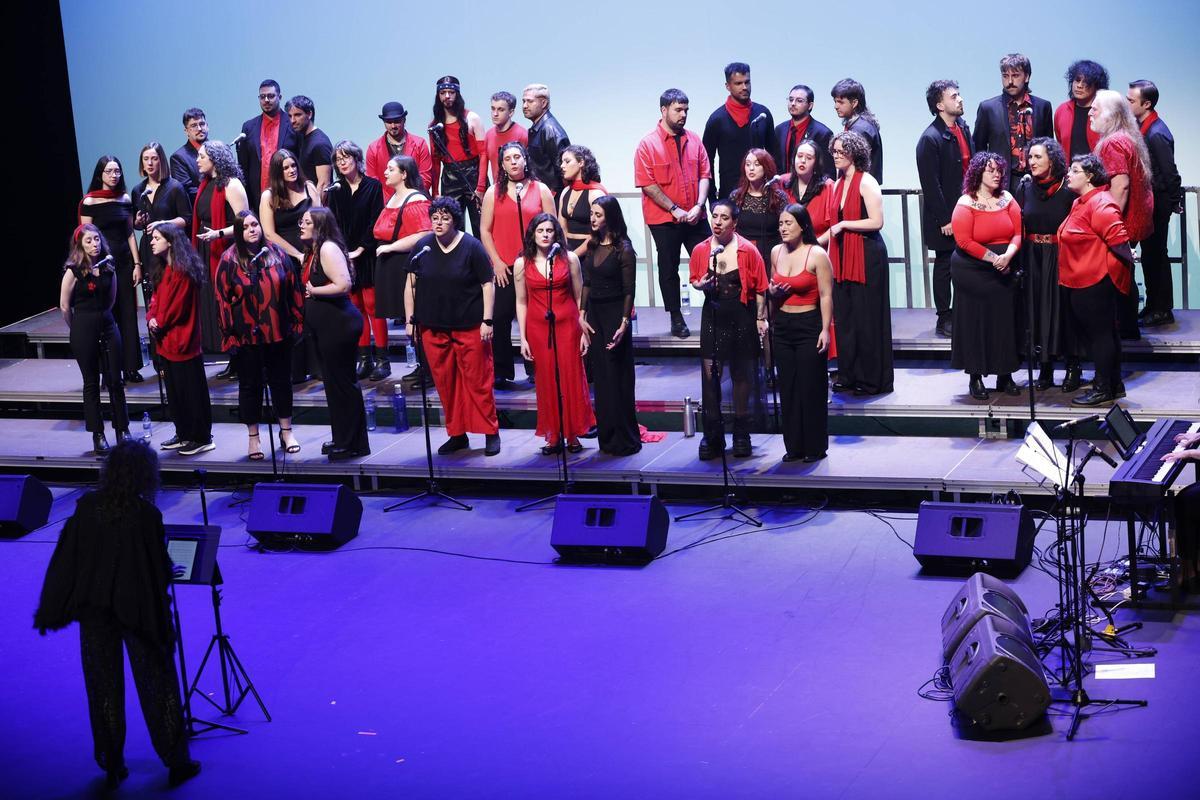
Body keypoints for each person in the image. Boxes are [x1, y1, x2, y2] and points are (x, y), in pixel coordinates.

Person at [33, 440, 200, 790]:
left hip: (94, 610)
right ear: (145, 474)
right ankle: (176, 760)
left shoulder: (87, 506)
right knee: (157, 685)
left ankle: (111, 762)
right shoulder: (146, 516)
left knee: (103, 687)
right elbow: (155, 568)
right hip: (136, 611)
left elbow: (69, 558)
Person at [404, 196, 501, 456]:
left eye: (445, 218)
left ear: (455, 220)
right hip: (433, 327)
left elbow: (487, 284)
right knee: (446, 383)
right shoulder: (423, 247)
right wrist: (410, 318)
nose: (438, 222)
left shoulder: (471, 246)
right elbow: (411, 284)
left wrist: (487, 320)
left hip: (469, 325)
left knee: (478, 381)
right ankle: (457, 434)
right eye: (435, 217)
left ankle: (491, 431)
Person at [215, 211, 304, 459]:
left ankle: (286, 431)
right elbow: (222, 300)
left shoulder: (276, 253)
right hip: (246, 336)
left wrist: (297, 321)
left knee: (281, 382)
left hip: (278, 331)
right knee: (250, 385)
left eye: (255, 224)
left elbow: (293, 287)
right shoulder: (230, 259)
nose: (252, 229)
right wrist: (228, 334)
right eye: (246, 227)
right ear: (239, 232)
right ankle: (253, 437)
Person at [689, 200, 768, 459]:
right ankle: (713, 435)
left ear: (734, 223)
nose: (717, 222)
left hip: (741, 317)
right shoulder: (701, 250)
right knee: (711, 375)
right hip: (713, 316)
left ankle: (741, 433)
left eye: (724, 217)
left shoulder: (748, 250)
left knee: (741, 375)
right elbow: (695, 281)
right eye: (714, 216)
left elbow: (760, 289)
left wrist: (760, 318)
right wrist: (700, 286)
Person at [634, 88, 713, 339]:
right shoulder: (648, 144)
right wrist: (675, 209)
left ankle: (716, 310)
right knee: (668, 267)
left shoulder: (694, 139)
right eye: (678, 110)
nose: (683, 115)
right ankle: (676, 317)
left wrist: (699, 206)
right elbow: (648, 184)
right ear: (664, 110)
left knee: (710, 261)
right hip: (664, 220)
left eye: (686, 110)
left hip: (695, 216)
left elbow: (704, 174)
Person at [1057, 154, 1134, 406]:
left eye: (1075, 170)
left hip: (1095, 280)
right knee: (1103, 334)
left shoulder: (1100, 202)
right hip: (1081, 278)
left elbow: (1119, 241)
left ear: (1089, 176)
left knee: (1101, 335)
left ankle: (1103, 388)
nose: (1068, 173)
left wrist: (1120, 274)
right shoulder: (1081, 202)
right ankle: (1113, 385)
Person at [515, 213, 594, 454]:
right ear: (533, 234)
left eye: (549, 230)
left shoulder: (569, 258)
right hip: (539, 329)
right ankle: (553, 436)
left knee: (571, 378)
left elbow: (580, 296)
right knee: (546, 379)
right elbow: (521, 302)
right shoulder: (522, 263)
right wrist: (523, 338)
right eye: (540, 231)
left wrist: (583, 329)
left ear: (556, 233)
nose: (545, 235)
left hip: (568, 325)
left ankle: (573, 435)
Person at [480, 141, 555, 387]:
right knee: (500, 317)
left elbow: (553, 226)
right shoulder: (493, 192)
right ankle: (502, 370)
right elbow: (485, 230)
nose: (513, 162)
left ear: (525, 159)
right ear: (501, 164)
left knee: (535, 317)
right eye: (508, 159)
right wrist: (497, 262)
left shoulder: (540, 189)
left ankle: (536, 367)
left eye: (517, 157)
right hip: (505, 266)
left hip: (535, 264)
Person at [824, 131, 893, 395]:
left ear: (855, 153)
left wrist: (844, 224)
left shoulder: (867, 182)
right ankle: (849, 374)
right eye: (835, 152)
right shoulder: (838, 184)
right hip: (843, 257)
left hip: (866, 256)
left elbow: (876, 221)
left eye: (842, 151)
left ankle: (872, 379)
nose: (837, 156)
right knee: (847, 319)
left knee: (867, 320)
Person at [950, 152, 1023, 401]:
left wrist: (1008, 257)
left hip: (1005, 267)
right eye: (990, 170)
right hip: (974, 271)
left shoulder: (1008, 199)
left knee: (1004, 322)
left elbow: (1017, 233)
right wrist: (994, 259)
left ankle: (1005, 374)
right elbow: (964, 241)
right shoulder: (966, 203)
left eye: (999, 170)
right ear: (978, 173)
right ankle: (976, 376)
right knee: (976, 322)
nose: (996, 174)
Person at [300, 208, 370, 459]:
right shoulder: (313, 251)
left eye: (307, 222)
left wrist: (314, 292)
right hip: (325, 328)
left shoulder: (328, 249)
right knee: (333, 385)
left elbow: (344, 284)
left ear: (319, 226)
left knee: (343, 385)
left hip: (338, 326)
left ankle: (354, 443)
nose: (302, 225)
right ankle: (342, 438)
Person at [1012, 138, 1081, 391]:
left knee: (1063, 311)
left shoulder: (1067, 190)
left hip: (1060, 255)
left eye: (1038, 157)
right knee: (1038, 311)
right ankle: (1045, 368)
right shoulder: (1025, 187)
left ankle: (1073, 367)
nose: (1032, 162)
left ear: (1052, 159)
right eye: (1030, 157)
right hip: (1033, 256)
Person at [769, 204, 832, 462]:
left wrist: (825, 330)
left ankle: (815, 448)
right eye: (781, 224)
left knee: (811, 387)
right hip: (783, 326)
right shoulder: (775, 252)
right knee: (789, 388)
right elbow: (772, 288)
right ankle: (793, 447)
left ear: (803, 225)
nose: (783, 228)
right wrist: (772, 295)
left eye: (788, 223)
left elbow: (827, 295)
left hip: (809, 324)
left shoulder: (817, 254)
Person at [1090, 88, 1155, 340]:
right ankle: (1127, 327)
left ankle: (1125, 328)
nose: (1090, 113)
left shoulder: (1114, 143)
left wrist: (1109, 223)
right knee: (1124, 272)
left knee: (1118, 275)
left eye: (1095, 109)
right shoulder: (1126, 137)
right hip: (1132, 220)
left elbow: (1121, 186)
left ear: (1111, 114)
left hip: (1122, 222)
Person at [59, 225, 130, 454]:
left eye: (97, 239)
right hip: (83, 327)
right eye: (89, 241)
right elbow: (64, 306)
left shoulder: (109, 267)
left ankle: (123, 430)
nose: (94, 244)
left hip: (107, 325)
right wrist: (78, 327)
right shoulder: (73, 270)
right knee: (91, 383)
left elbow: (111, 299)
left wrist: (102, 318)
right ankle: (98, 435)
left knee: (115, 381)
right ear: (80, 244)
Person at [145, 223, 214, 455]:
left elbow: (177, 308)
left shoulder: (183, 272)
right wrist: (151, 317)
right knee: (176, 393)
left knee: (191, 392)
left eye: (157, 238)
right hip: (166, 342)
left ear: (171, 241)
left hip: (183, 341)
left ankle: (201, 436)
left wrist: (159, 322)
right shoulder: (163, 270)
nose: (152, 241)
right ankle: (184, 433)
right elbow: (155, 300)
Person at [580, 194, 640, 456]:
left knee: (618, 378)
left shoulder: (623, 249)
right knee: (602, 378)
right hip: (595, 315)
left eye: (598, 215)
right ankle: (607, 437)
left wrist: (624, 322)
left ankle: (624, 438)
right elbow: (587, 283)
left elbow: (629, 290)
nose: (593, 219)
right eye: (592, 214)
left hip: (616, 314)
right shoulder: (592, 245)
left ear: (610, 217)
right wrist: (581, 313)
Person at [917, 80, 974, 338]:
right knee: (944, 264)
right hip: (945, 215)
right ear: (940, 105)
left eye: (959, 95)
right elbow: (931, 184)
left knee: (966, 262)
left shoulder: (962, 127)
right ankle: (944, 317)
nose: (960, 99)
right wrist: (944, 219)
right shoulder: (930, 139)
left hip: (968, 209)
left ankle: (965, 312)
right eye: (954, 96)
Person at [79, 155, 143, 383]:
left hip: (124, 263)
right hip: (101, 265)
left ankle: (131, 367)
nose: (114, 176)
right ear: (100, 174)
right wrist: (90, 267)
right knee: (108, 317)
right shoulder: (89, 202)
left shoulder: (124, 199)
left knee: (127, 315)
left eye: (117, 171)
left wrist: (137, 264)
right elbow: (85, 237)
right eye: (109, 172)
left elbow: (129, 233)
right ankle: (109, 371)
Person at [328, 141, 386, 381]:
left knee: (373, 306)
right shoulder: (335, 190)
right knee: (356, 307)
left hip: (368, 253)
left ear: (356, 159)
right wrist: (342, 252)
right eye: (338, 159)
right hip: (345, 255)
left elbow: (376, 220)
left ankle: (383, 360)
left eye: (346, 158)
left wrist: (362, 248)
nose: (342, 163)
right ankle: (364, 358)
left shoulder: (373, 186)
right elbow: (333, 224)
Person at [1128, 80, 1184, 327]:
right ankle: (1153, 306)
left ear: (1146, 104)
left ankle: (1162, 309)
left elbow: (1169, 172)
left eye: (1131, 100)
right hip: (1151, 201)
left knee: (1156, 256)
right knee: (1151, 256)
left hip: (1158, 203)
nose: (1127, 104)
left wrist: (1173, 201)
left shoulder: (1156, 132)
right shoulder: (1145, 128)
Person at [373, 154, 433, 383]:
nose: (386, 172)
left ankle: (428, 370)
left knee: (416, 316)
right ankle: (420, 366)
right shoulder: (393, 197)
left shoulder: (414, 199)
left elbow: (423, 233)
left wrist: (391, 248)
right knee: (409, 319)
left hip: (406, 264)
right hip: (392, 264)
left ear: (404, 173)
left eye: (391, 169)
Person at [192, 141, 250, 375]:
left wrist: (218, 234)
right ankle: (233, 359)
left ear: (215, 159)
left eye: (202, 156)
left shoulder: (232, 185)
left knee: (230, 305)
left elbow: (244, 222)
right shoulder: (205, 184)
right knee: (216, 307)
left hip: (227, 253)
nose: (198, 160)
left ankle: (242, 362)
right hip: (207, 250)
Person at [972, 54, 1054, 191]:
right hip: (1000, 183)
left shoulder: (1043, 106)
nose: (1009, 81)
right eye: (1005, 76)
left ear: (1026, 77)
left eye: (1015, 75)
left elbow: (1049, 149)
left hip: (1037, 183)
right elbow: (978, 151)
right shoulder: (988, 108)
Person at [703, 62, 776, 201]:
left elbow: (774, 155)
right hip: (729, 194)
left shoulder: (763, 114)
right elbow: (707, 163)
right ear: (727, 86)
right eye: (738, 83)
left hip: (762, 192)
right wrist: (712, 199)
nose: (744, 87)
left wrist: (775, 189)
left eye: (747, 82)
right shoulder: (717, 119)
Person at [132, 142, 191, 308]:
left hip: (171, 249)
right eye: (146, 159)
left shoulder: (174, 187)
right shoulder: (138, 190)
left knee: (172, 298)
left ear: (161, 161)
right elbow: (135, 225)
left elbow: (187, 219)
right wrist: (137, 221)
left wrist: (163, 223)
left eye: (154, 158)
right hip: (148, 249)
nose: (150, 163)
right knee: (152, 298)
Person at [429, 76, 486, 235]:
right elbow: (435, 161)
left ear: (457, 94)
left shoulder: (472, 118)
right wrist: (435, 192)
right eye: (443, 93)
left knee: (480, 225)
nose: (447, 96)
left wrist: (481, 187)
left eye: (451, 92)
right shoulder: (434, 126)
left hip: (473, 174)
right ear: (438, 96)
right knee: (453, 228)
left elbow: (483, 154)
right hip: (449, 178)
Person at [237, 79, 300, 212]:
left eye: (271, 96)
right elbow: (243, 165)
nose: (266, 100)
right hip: (257, 196)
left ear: (280, 97)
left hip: (289, 193)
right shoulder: (248, 127)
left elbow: (300, 160)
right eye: (262, 96)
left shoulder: (292, 124)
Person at [260, 148, 320, 265]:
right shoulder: (269, 196)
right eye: (285, 168)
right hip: (284, 258)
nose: (292, 170)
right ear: (278, 172)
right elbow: (269, 234)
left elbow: (321, 223)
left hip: (312, 253)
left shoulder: (309, 187)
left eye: (293, 166)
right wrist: (298, 255)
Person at [365, 101, 433, 201]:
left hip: (416, 201)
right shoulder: (373, 148)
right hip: (386, 204)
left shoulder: (420, 144)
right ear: (384, 122)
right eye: (389, 122)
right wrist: (391, 202)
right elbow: (372, 181)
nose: (393, 126)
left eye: (397, 121)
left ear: (404, 120)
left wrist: (410, 197)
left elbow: (425, 177)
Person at [476, 91, 528, 204]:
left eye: (500, 109)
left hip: (519, 192)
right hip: (498, 192)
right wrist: (480, 188)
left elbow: (530, 166)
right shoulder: (489, 135)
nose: (495, 113)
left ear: (511, 112)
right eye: (493, 109)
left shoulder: (522, 134)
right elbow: (484, 162)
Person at [775, 84, 835, 181]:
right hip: (782, 190)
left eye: (799, 101)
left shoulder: (823, 134)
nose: (793, 103)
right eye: (790, 100)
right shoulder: (779, 130)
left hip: (810, 191)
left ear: (810, 105)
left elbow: (828, 173)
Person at [557, 145, 606, 258]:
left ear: (581, 163)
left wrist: (573, 256)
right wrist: (564, 253)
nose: (562, 166)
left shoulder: (595, 193)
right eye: (562, 162)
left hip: (591, 252)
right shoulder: (565, 192)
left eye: (567, 161)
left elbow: (597, 233)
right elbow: (562, 227)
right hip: (568, 251)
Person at [830, 79, 884, 183]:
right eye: (835, 101)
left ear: (854, 103)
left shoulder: (860, 129)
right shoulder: (861, 124)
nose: (836, 106)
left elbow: (855, 167)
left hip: (858, 190)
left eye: (841, 102)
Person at [523, 83, 571, 196]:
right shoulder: (539, 128)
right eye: (523, 101)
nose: (525, 106)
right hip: (542, 195)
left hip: (552, 199)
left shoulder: (551, 131)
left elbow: (564, 171)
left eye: (529, 101)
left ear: (543, 103)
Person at [1054, 60, 1108, 160]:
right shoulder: (1062, 110)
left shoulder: (1105, 112)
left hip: (1098, 173)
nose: (1079, 85)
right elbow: (1060, 145)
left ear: (1097, 86)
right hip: (1070, 173)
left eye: (1086, 82)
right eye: (1077, 80)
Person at [781, 141, 835, 236]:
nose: (803, 160)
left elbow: (834, 227)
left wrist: (812, 247)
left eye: (809, 158)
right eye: (800, 156)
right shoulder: (783, 182)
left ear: (816, 163)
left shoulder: (828, 187)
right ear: (794, 159)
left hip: (818, 246)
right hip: (787, 246)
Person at [287, 95, 334, 196]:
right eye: (290, 116)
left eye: (297, 115)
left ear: (309, 114)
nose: (292, 121)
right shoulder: (301, 137)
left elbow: (323, 185)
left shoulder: (320, 143)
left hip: (316, 208)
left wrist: (314, 211)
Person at [170, 107, 207, 204]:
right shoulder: (178, 158)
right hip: (200, 211)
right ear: (186, 131)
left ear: (207, 126)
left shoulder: (220, 150)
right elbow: (188, 191)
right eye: (194, 125)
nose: (199, 129)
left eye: (202, 124)